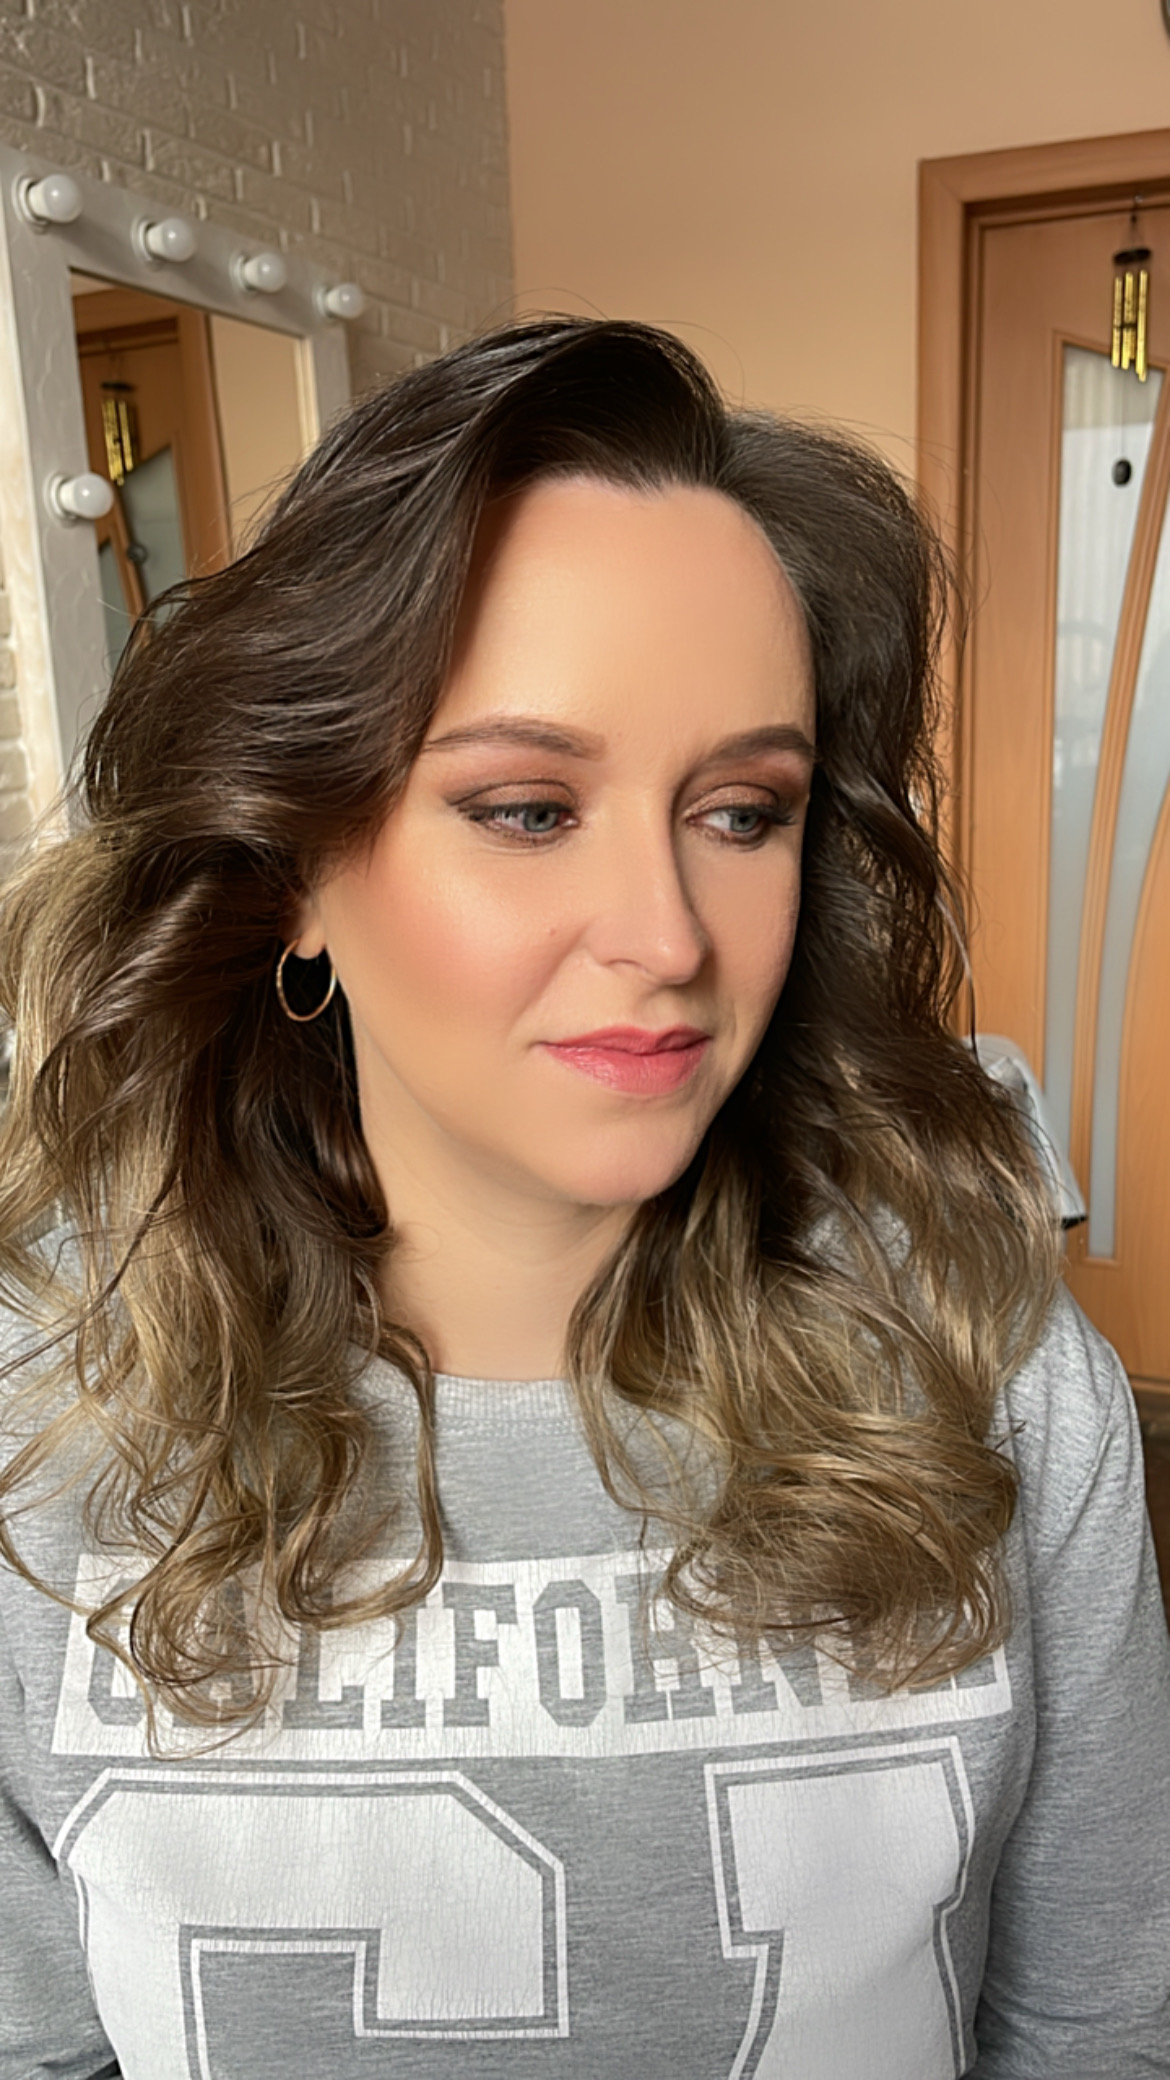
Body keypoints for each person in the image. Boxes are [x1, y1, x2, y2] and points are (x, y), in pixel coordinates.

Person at [0, 317, 1166, 2080]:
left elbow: (1095, 2028)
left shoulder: (988, 1372)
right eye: (529, 809)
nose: (669, 935)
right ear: (293, 862)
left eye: (742, 811)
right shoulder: (45, 1412)